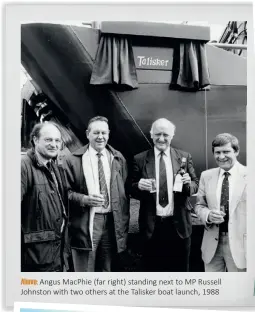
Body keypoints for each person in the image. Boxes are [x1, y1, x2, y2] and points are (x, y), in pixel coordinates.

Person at [129, 118, 199, 272]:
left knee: (180, 273)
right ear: (151, 135)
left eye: (165, 135)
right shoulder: (139, 159)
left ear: (172, 135)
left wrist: (188, 183)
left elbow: (195, 185)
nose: (161, 139)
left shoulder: (184, 157)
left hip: (179, 226)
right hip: (151, 227)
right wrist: (138, 186)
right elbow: (130, 188)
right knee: (152, 272)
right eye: (157, 134)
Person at [65, 116, 130, 272]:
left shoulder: (118, 158)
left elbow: (125, 190)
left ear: (108, 134)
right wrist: (84, 199)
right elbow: (64, 193)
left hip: (112, 223)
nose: (100, 137)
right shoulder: (73, 160)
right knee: (85, 271)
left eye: (103, 133)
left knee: (106, 270)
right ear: (88, 134)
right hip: (87, 222)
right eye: (96, 133)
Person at [21, 122, 69, 272]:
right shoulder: (23, 166)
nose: (54, 144)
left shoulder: (52, 166)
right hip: (35, 256)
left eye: (57, 140)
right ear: (35, 140)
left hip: (54, 252)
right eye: (48, 140)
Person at [195, 133, 246, 272]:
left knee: (238, 290)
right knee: (214, 289)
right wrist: (208, 215)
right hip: (212, 246)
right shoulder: (206, 176)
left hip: (242, 247)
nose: (221, 156)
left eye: (226, 151)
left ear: (236, 151)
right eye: (217, 152)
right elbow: (199, 205)